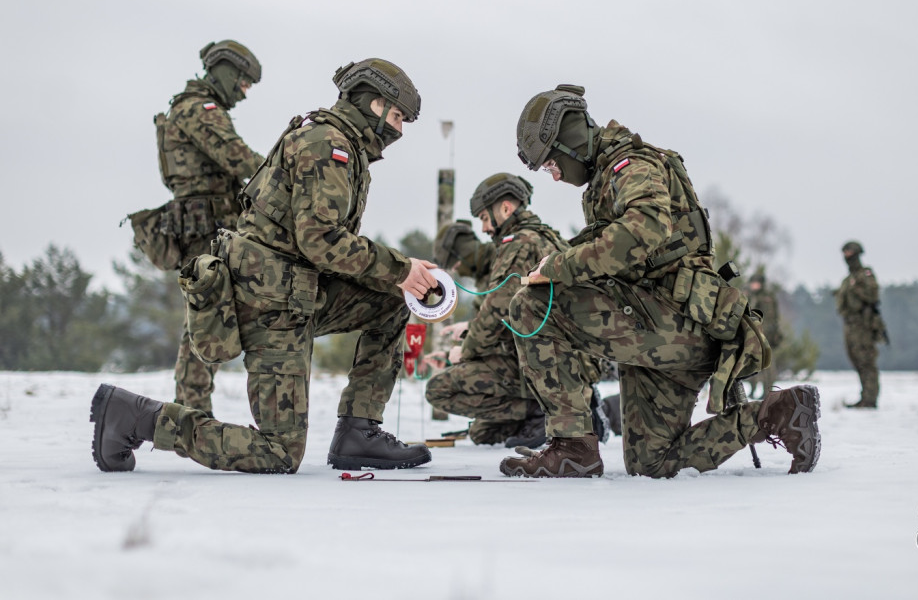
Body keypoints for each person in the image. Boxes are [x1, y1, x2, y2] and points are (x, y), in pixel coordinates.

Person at [91, 59, 437, 474]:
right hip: (270, 304)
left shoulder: (338, 143)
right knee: (279, 452)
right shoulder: (328, 144)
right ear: (374, 104)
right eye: (397, 116)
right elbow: (320, 239)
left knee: (391, 300)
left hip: (297, 292)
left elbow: (318, 246)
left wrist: (400, 277)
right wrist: (400, 267)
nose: (398, 130)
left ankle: (358, 431)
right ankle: (134, 416)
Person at [498, 84, 821, 478]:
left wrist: (556, 268)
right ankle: (778, 414)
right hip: (669, 326)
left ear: (568, 142)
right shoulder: (610, 173)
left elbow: (644, 229)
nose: (554, 176)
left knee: (532, 306)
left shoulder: (630, 165)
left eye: (551, 164)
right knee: (652, 464)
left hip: (670, 323)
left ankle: (572, 447)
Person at [425, 174, 605, 448]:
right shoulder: (541, 237)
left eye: (485, 218)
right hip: (563, 359)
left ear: (506, 209)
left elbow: (498, 310)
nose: (484, 229)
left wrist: (464, 352)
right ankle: (561, 410)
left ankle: (549, 412)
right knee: (484, 434)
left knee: (439, 389)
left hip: (553, 361)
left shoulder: (519, 244)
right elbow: (513, 313)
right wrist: (469, 334)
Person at [145, 40, 266, 416]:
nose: (244, 94)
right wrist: (283, 177)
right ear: (227, 72)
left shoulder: (189, 107)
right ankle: (192, 408)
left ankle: (191, 405)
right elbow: (239, 157)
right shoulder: (201, 109)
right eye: (243, 83)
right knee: (207, 313)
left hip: (206, 223)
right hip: (205, 227)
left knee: (206, 312)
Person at [834, 241, 887, 408]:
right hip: (850, 324)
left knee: (866, 360)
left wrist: (856, 289)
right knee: (856, 359)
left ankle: (870, 398)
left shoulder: (866, 274)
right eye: (845, 253)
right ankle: (865, 395)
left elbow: (872, 296)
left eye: (850, 253)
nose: (847, 256)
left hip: (863, 324)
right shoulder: (848, 279)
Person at [746, 269, 784, 399]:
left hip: (766, 334)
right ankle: (752, 389)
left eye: (757, 283)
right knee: (750, 364)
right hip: (750, 335)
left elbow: (775, 317)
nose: (754, 286)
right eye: (753, 283)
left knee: (767, 365)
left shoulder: (768, 297)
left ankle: (768, 391)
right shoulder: (747, 296)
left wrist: (776, 333)